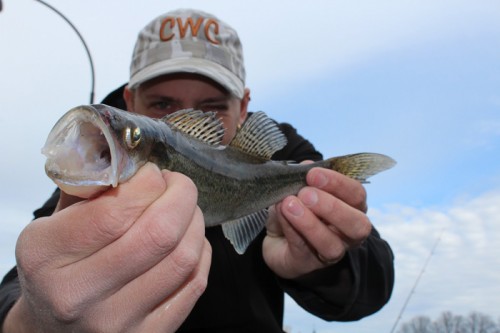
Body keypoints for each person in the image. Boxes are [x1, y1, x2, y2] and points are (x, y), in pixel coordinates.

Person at [0, 8, 394, 332]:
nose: (185, 118)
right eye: (161, 105)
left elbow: (376, 282)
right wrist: (32, 319)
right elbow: (20, 282)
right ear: (130, 100)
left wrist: (327, 264)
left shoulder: (287, 157)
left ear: (244, 107)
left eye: (212, 106)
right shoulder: (104, 164)